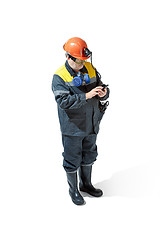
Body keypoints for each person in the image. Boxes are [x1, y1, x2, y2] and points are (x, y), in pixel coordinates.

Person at [52, 37, 110, 205]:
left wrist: (103, 93)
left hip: (92, 123)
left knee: (89, 154)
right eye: (78, 61)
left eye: (84, 60)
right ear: (68, 57)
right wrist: (86, 96)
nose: (82, 64)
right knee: (72, 158)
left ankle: (86, 184)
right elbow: (63, 102)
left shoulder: (90, 68)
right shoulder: (59, 77)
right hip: (72, 127)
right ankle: (73, 190)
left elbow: (102, 86)